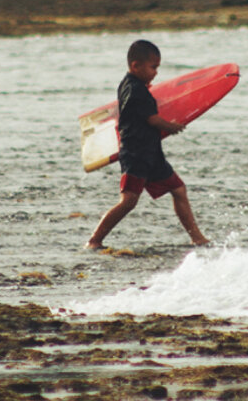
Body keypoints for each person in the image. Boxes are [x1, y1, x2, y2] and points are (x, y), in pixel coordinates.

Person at [85, 39, 210, 250]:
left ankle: (197, 237)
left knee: (178, 190)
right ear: (136, 66)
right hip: (136, 154)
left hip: (150, 153)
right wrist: (172, 127)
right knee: (128, 202)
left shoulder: (128, 84)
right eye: (153, 67)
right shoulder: (138, 92)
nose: (156, 73)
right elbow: (153, 120)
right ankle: (94, 240)